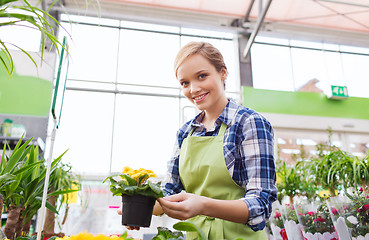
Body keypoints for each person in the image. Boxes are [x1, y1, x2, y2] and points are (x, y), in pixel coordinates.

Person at [126, 42, 277, 240]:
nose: (194, 89)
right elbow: (169, 191)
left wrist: (204, 205)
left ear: (223, 73)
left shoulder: (249, 123)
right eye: (185, 83)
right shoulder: (185, 132)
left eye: (202, 76)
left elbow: (261, 202)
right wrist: (138, 208)